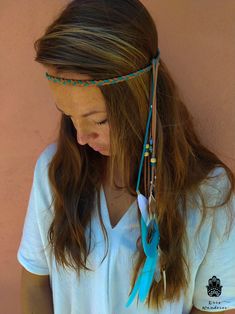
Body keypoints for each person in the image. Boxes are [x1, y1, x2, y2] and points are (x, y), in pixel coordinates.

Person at [17, 0, 235, 313]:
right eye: (68, 115)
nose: (80, 137)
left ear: (141, 99)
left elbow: (216, 307)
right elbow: (35, 280)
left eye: (99, 120)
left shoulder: (209, 194)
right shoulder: (54, 171)